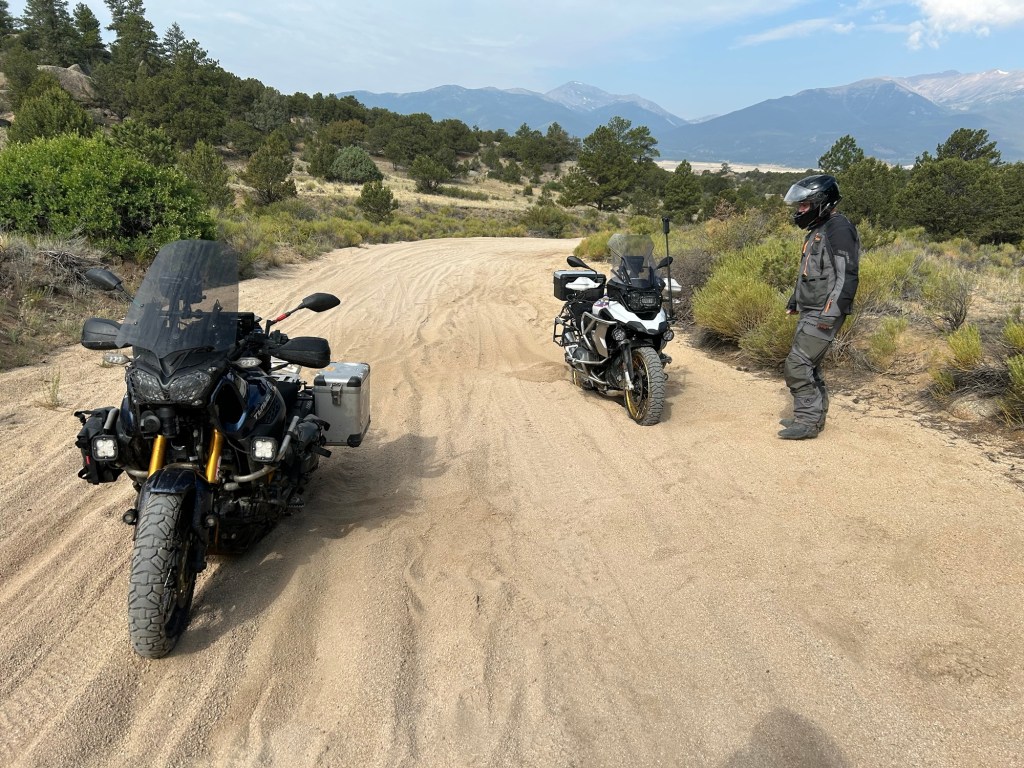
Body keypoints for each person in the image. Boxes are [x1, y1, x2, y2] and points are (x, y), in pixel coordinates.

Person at [778, 174, 860, 440]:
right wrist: (795, 300)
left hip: (824, 311)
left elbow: (846, 275)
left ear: (822, 202)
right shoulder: (819, 228)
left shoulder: (839, 228)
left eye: (804, 205)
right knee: (809, 365)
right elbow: (810, 271)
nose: (800, 210)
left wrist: (830, 313)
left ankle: (807, 422)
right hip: (811, 308)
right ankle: (813, 416)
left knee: (797, 364)